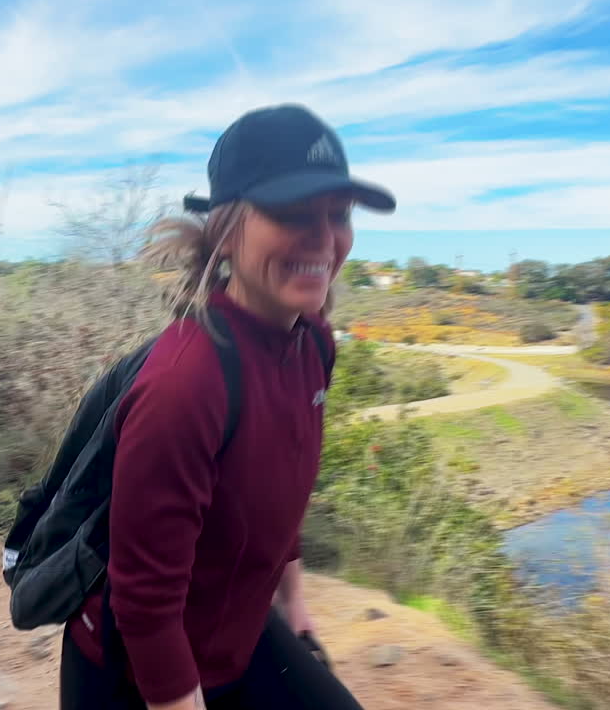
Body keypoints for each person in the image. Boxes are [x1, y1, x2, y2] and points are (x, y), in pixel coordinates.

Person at [59, 104, 396, 709]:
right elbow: (145, 603)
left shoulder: (313, 340)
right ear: (225, 228)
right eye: (294, 211)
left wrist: (294, 604)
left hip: (235, 635)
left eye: (337, 213)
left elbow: (284, 486)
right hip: (136, 670)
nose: (325, 236)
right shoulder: (186, 383)